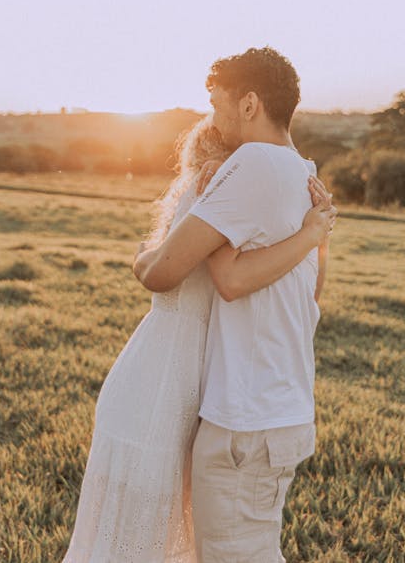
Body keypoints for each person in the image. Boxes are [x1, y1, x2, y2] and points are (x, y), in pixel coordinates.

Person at [62, 110, 335, 557]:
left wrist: (317, 237)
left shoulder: (243, 207)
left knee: (176, 536)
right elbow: (163, 272)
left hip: (189, 387)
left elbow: (304, 299)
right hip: (161, 387)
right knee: (137, 538)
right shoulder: (213, 201)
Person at [135, 46, 336, 563]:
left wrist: (142, 258)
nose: (213, 118)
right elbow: (307, 291)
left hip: (247, 422)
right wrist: (317, 237)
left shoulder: (252, 162)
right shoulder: (300, 170)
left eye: (218, 104)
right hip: (278, 410)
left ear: (249, 104)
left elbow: (166, 275)